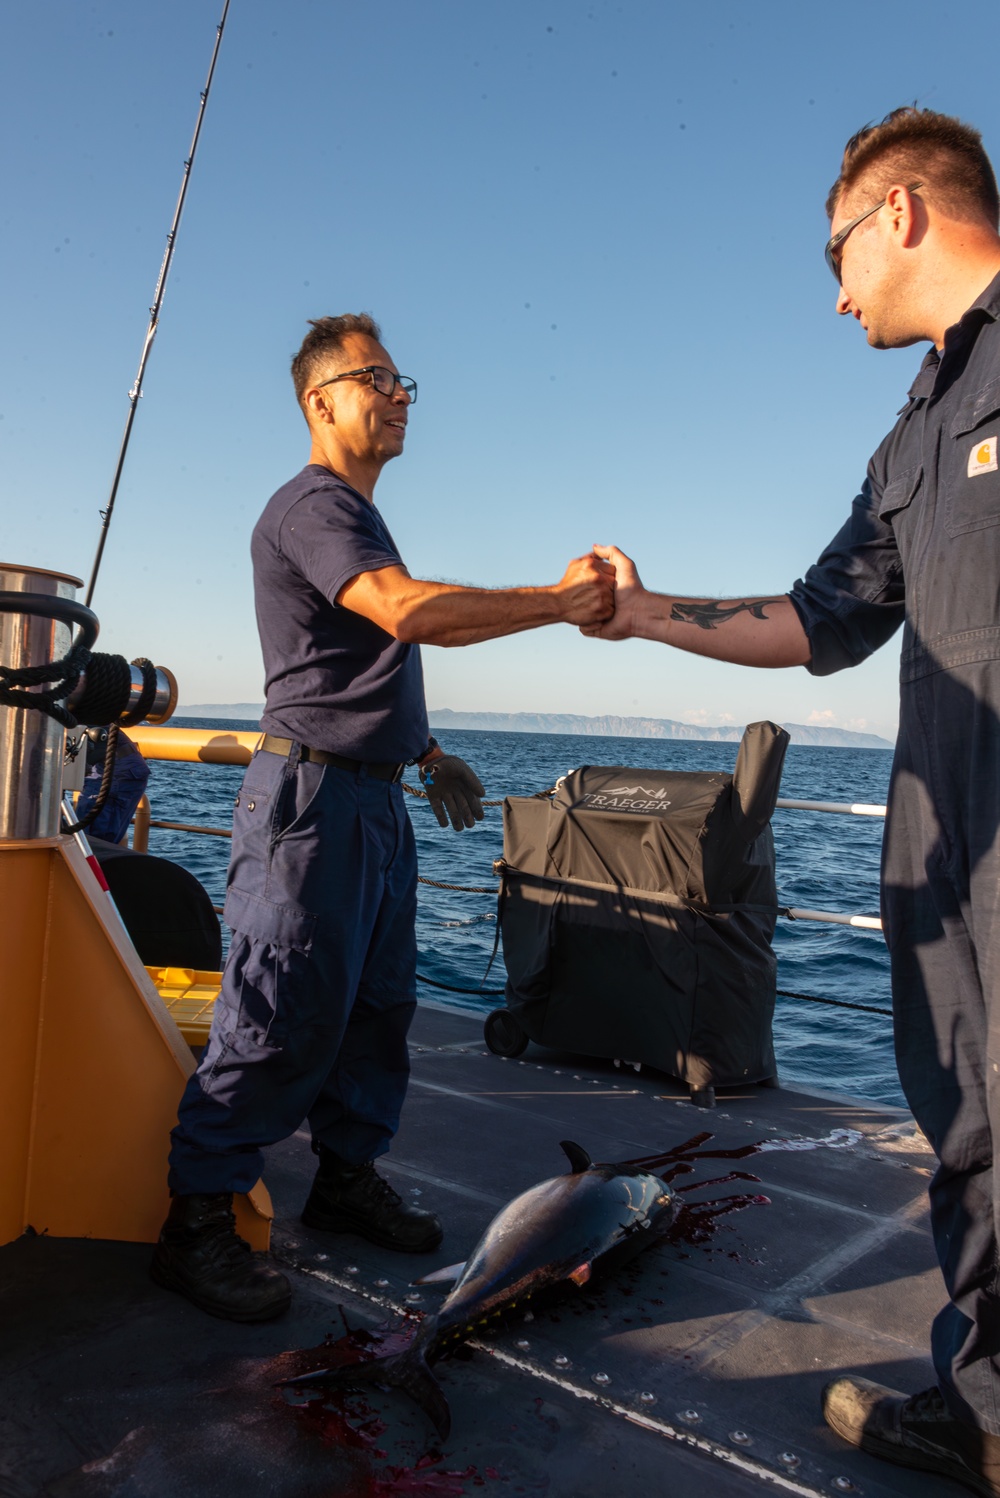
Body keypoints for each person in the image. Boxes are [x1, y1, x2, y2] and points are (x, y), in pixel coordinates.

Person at [582, 108, 1000, 1497]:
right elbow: (815, 623)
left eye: (837, 250)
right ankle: (990, 1406)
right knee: (973, 1126)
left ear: (902, 214)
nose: (834, 292)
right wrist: (643, 613)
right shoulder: (911, 441)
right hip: (942, 847)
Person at [151, 312, 615, 1323]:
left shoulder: (356, 515)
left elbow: (359, 663)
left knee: (374, 1009)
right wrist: (558, 600)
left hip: (369, 799)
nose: (401, 393)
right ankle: (194, 1222)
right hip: (310, 806)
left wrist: (427, 752)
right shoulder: (314, 505)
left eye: (406, 380)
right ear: (321, 401)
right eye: (378, 377)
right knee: (279, 1015)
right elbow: (405, 614)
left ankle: (346, 1177)